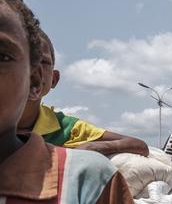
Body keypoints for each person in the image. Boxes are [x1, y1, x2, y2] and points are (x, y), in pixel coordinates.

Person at [0, 0, 168, 204]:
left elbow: (137, 144)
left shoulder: (81, 171)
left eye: (1, 55)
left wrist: (83, 150)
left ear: (39, 81)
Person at [17, 30, 149, 157]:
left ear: (54, 79)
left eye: (43, 62)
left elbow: (139, 145)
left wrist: (92, 147)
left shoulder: (67, 129)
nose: (33, 69)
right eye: (16, 59)